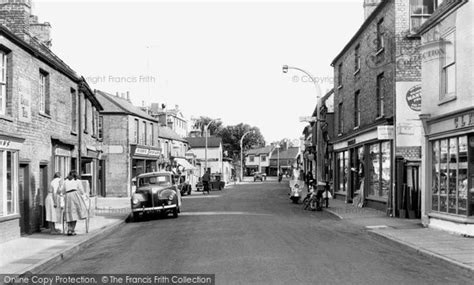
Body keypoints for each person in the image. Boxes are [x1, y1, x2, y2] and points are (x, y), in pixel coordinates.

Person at [62, 170, 88, 236]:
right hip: (75, 195)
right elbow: (81, 190)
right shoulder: (78, 181)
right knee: (75, 213)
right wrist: (84, 194)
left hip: (67, 196)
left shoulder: (65, 181)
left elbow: (63, 190)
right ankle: (72, 230)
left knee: (69, 213)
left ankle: (69, 229)